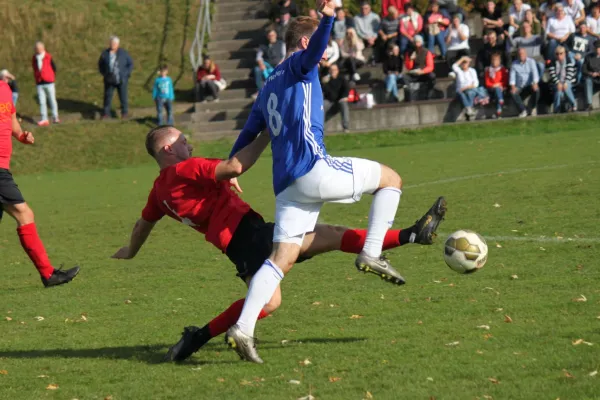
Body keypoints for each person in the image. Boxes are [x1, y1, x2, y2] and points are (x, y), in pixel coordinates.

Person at [225, 1, 446, 363]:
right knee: (391, 180)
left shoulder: (267, 86)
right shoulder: (299, 66)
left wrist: (233, 168)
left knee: (281, 259)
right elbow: (314, 52)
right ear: (303, 43)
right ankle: (371, 253)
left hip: (286, 186)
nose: (325, 52)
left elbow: (250, 133)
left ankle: (243, 328)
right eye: (319, 44)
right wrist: (328, 16)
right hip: (313, 169)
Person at [111, 126, 445, 362]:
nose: (190, 145)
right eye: (184, 141)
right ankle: (199, 337)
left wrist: (131, 251)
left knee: (327, 237)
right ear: (168, 149)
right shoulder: (185, 169)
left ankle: (412, 234)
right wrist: (267, 135)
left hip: (240, 241)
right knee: (272, 298)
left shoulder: (159, 191)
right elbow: (234, 166)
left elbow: (143, 225)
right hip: (248, 235)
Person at [0, 80, 80, 287]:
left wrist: (21, 135)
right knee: (24, 213)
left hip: (3, 166)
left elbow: (10, 118)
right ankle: (48, 274)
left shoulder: (4, 88)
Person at [98, 36, 134, 119]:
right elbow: (100, 64)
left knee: (123, 97)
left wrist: (126, 73)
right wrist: (105, 74)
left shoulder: (123, 53)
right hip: (109, 79)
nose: (112, 45)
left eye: (114, 43)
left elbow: (130, 64)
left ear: (118, 44)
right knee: (107, 96)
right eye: (111, 43)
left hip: (121, 79)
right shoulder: (105, 53)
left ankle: (124, 113)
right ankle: (106, 113)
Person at [32, 42, 59, 126]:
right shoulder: (34, 58)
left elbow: (54, 68)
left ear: (43, 48)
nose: (37, 50)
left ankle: (55, 117)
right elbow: (35, 68)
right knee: (42, 101)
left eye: (39, 48)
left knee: (52, 99)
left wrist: (50, 76)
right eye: (36, 48)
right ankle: (44, 119)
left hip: (49, 82)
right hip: (40, 83)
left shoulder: (48, 57)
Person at [253, 30, 286, 98]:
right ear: (267, 37)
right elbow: (258, 57)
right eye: (270, 35)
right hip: (267, 65)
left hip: (279, 64)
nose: (271, 37)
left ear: (276, 35)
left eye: (273, 35)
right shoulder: (263, 45)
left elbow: (285, 55)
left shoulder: (282, 44)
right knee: (257, 70)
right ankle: (261, 90)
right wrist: (261, 64)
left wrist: (280, 64)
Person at [403, 35, 436, 101]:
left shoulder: (427, 52)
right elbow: (408, 67)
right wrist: (411, 59)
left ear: (421, 42)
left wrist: (422, 71)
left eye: (418, 42)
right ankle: (410, 94)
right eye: (415, 42)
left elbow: (430, 67)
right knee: (405, 77)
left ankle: (429, 94)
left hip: (423, 73)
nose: (416, 43)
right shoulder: (409, 52)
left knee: (432, 76)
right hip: (414, 73)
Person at [510, 47, 540, 117]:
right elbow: (512, 78)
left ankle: (532, 108)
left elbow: (535, 74)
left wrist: (535, 83)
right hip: (519, 86)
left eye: (523, 54)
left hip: (530, 85)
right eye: (519, 54)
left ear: (526, 54)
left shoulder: (531, 61)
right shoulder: (514, 64)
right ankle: (523, 110)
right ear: (517, 55)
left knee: (537, 90)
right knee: (512, 92)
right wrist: (513, 86)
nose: (521, 55)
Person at [549, 45, 578, 112]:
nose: (559, 55)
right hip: (557, 82)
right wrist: (558, 83)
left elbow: (570, 73)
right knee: (558, 91)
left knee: (566, 87)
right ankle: (557, 110)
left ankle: (574, 104)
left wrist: (566, 82)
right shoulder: (552, 62)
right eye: (557, 54)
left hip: (568, 81)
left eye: (561, 53)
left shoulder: (568, 60)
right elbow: (552, 75)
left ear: (564, 53)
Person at [323, 64, 351, 132]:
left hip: (340, 99)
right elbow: (326, 92)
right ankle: (320, 127)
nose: (333, 71)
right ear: (329, 71)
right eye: (331, 70)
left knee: (343, 104)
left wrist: (345, 96)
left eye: (335, 70)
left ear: (337, 71)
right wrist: (324, 83)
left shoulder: (342, 78)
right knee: (322, 106)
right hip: (329, 100)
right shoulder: (326, 80)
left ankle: (346, 127)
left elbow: (346, 88)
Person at [484, 53, 509, 118]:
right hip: (491, 89)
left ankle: (498, 111)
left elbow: (505, 80)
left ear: (499, 61)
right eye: (493, 60)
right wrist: (494, 85)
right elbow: (487, 82)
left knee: (498, 91)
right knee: (498, 90)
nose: (495, 61)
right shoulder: (488, 69)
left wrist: (500, 84)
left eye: (496, 60)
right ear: (491, 61)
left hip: (500, 88)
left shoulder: (502, 69)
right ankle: (501, 101)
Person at [582, 39, 600, 109]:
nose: (598, 50)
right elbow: (584, 69)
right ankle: (589, 104)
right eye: (596, 48)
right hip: (592, 78)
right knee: (587, 80)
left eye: (599, 48)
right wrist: (591, 73)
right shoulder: (588, 57)